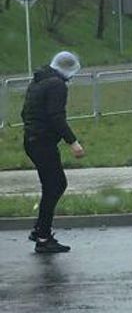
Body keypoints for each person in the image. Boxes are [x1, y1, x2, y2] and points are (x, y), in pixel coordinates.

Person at [22, 51, 85, 253]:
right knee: (55, 185)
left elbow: (24, 113)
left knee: (52, 185)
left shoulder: (38, 81)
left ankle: (40, 230)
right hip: (43, 142)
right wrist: (73, 142)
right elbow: (56, 117)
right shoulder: (57, 85)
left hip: (32, 140)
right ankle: (42, 236)